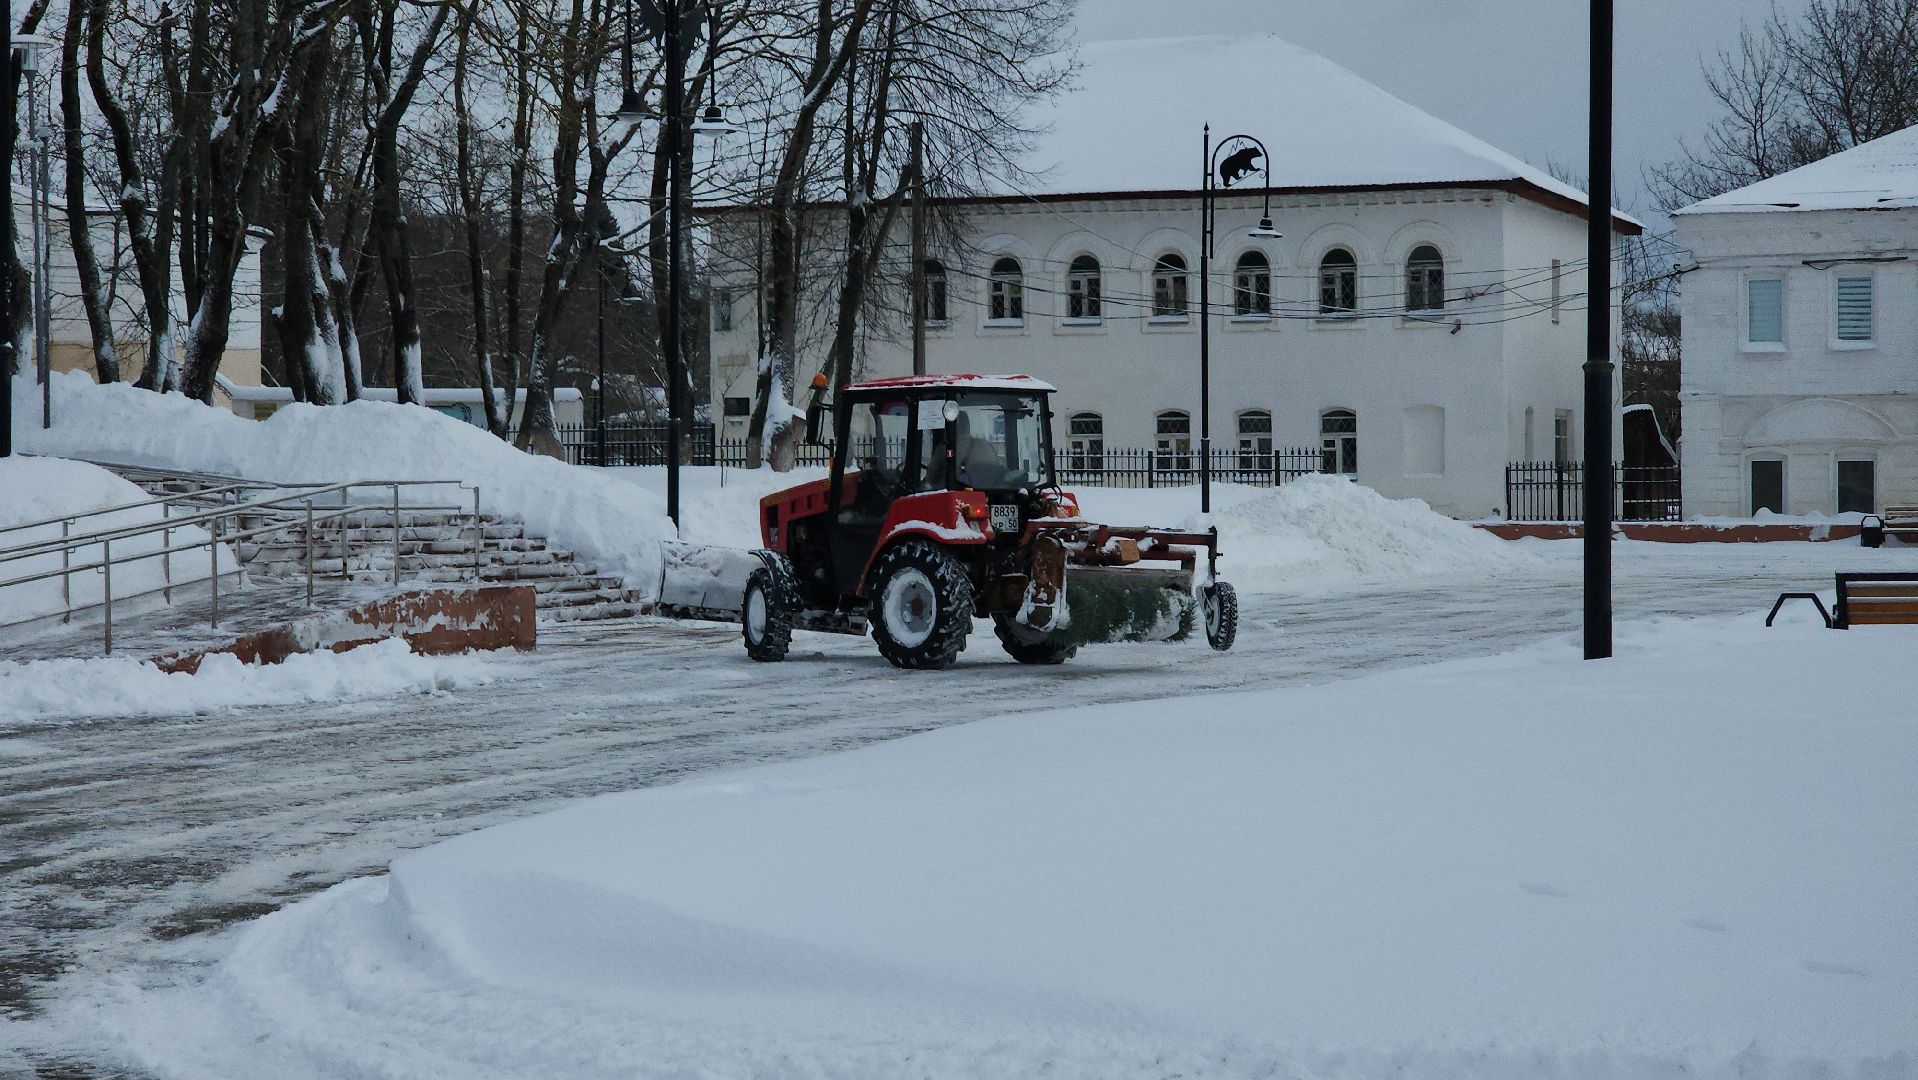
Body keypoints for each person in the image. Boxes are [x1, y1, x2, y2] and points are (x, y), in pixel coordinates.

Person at [951, 411, 1004, 488]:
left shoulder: (947, 447)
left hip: (962, 492)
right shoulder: (984, 444)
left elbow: (932, 479)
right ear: (968, 426)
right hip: (990, 491)